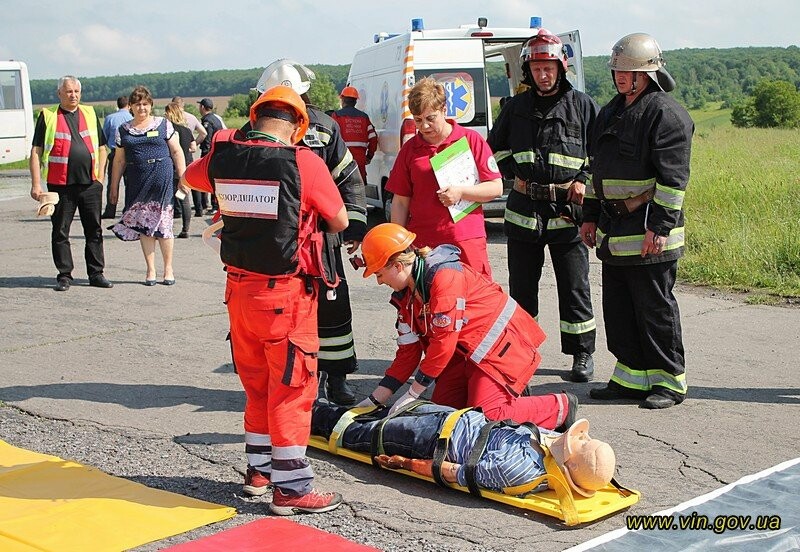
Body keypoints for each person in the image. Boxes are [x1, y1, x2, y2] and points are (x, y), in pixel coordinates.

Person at [181, 85, 349, 515]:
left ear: (254, 118)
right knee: (292, 392)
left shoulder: (224, 156)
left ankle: (258, 473)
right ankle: (291, 490)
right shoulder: (303, 162)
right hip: (286, 299)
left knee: (256, 388)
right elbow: (339, 219)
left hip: (239, 294)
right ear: (298, 125)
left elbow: (190, 177)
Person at [354, 223, 578, 432]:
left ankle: (560, 406)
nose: (379, 282)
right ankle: (503, 397)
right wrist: (375, 400)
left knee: (487, 417)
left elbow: (443, 343)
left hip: (501, 352)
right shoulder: (406, 297)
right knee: (441, 418)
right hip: (465, 357)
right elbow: (408, 354)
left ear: (398, 266)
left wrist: (413, 393)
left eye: (379, 274)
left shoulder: (444, 278)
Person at [581, 33, 693, 410]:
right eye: (616, 70)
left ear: (646, 73)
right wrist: (590, 217)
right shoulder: (611, 110)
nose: (619, 77)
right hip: (615, 234)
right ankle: (630, 377)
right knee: (620, 310)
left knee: (654, 310)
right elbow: (598, 172)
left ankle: (669, 381)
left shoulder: (666, 114)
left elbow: (673, 181)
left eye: (626, 71)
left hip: (648, 232)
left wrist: (658, 229)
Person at [251, 59, 368, 406]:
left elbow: (349, 178)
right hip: (279, 239)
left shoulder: (325, 128)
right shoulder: (254, 129)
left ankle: (338, 379)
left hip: (322, 237)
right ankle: (296, 381)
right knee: (283, 313)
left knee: (333, 308)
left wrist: (356, 227)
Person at [487, 29, 598, 383]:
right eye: (536, 68)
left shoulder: (583, 106)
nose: (543, 74)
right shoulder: (515, 108)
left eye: (548, 67)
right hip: (524, 212)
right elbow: (495, 149)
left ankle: (582, 353)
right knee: (522, 289)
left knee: (574, 287)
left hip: (568, 212)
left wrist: (584, 179)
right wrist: (512, 175)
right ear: (527, 71)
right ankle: (522, 353)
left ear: (560, 67)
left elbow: (601, 154)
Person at [312, 394, 615, 499]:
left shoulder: (518, 472)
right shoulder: (550, 442)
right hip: (450, 418)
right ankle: (308, 407)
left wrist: (403, 463)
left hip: (430, 439)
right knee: (377, 419)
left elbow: (451, 471)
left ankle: (299, 412)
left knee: (351, 434)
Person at [387, 77, 502, 278]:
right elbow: (400, 202)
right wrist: (397, 243)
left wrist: (462, 192)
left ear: (444, 109)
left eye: (430, 118)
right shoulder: (410, 150)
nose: (424, 126)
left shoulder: (471, 140)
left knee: (473, 302)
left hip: (466, 239)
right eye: (418, 120)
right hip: (424, 243)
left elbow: (495, 187)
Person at [29, 75, 113, 291]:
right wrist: (36, 185)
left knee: (94, 230)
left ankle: (96, 274)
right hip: (61, 185)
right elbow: (36, 151)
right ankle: (64, 275)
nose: (73, 95)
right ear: (59, 93)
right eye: (68, 91)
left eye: (76, 91)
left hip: (90, 184)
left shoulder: (89, 112)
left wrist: (100, 178)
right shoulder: (48, 116)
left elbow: (103, 148)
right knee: (60, 230)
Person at [108, 85, 186, 286]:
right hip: (137, 180)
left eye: (145, 104)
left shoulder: (164, 125)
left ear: (151, 105)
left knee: (164, 223)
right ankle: (150, 269)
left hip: (162, 178)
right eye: (137, 105)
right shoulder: (123, 130)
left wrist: (184, 177)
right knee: (144, 225)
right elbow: (118, 161)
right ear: (131, 107)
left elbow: (177, 152)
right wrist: (114, 187)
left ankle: (168, 269)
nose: (141, 108)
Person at [331, 86, 377, 184]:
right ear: (356, 101)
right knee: (359, 191)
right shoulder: (364, 118)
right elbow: (373, 139)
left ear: (342, 100)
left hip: (341, 160)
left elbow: (331, 138)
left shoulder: (336, 116)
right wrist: (369, 156)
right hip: (359, 161)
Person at [164, 101, 197, 238]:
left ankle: (166, 228)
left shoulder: (167, 130)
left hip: (170, 168)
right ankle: (185, 229)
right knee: (183, 198)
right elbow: (193, 147)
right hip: (184, 169)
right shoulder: (187, 130)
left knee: (167, 200)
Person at [101, 95, 133, 219]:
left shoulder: (110, 118)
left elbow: (104, 136)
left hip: (115, 152)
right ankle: (128, 209)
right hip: (130, 153)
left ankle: (110, 209)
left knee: (113, 182)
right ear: (129, 105)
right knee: (129, 183)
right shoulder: (132, 118)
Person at [197, 98, 224, 213]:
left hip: (210, 153)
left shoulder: (207, 120)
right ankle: (206, 203)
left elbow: (207, 139)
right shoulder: (216, 118)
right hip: (218, 152)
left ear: (202, 107)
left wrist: (205, 155)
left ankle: (213, 205)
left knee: (208, 179)